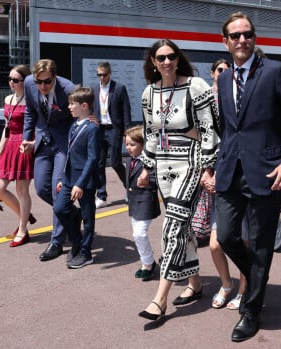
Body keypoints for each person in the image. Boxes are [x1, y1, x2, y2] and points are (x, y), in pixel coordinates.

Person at [214, 12, 281, 342]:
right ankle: (257, 277)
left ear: (254, 38)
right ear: (225, 42)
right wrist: (215, 165)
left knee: (261, 245)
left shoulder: (275, 71)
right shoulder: (224, 79)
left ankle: (251, 311)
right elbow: (228, 128)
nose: (242, 40)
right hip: (230, 172)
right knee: (225, 237)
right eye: (235, 36)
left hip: (268, 173)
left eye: (247, 34)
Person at [137, 39, 219, 323]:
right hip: (162, 166)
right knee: (181, 227)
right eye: (161, 58)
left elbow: (209, 128)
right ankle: (195, 284)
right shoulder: (149, 93)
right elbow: (149, 132)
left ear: (178, 58)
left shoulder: (195, 86)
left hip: (191, 162)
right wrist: (146, 167)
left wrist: (209, 167)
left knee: (171, 227)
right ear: (153, 62)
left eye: (171, 56)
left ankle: (159, 299)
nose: (167, 62)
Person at [20, 59, 75, 262]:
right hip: (42, 141)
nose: (42, 86)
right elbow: (30, 111)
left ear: (54, 77)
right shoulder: (28, 83)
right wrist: (27, 137)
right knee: (41, 188)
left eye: (47, 82)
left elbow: (75, 118)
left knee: (57, 189)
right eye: (38, 82)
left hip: (63, 143)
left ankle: (57, 241)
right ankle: (70, 213)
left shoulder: (68, 88)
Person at [205, 58, 248, 310]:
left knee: (243, 242)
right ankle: (226, 283)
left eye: (228, 71)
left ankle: (244, 288)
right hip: (217, 179)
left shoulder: (239, 98)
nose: (225, 74)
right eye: (220, 70)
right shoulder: (206, 102)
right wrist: (207, 172)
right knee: (215, 242)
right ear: (213, 74)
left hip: (242, 178)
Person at [53, 86, 100, 268]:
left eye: (73, 104)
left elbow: (93, 158)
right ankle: (76, 240)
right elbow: (70, 155)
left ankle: (86, 252)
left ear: (85, 105)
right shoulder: (73, 125)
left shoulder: (92, 129)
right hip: (69, 178)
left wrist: (80, 184)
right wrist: (63, 178)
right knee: (60, 208)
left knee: (88, 217)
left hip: (85, 182)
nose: (69, 107)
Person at [0, 64, 36, 247]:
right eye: (10, 79)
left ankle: (23, 229)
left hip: (24, 144)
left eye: (15, 80)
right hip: (9, 145)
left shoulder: (32, 100)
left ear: (25, 82)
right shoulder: (8, 98)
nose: (11, 82)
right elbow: (7, 127)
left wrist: (32, 144)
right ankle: (24, 216)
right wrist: (0, 148)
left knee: (21, 190)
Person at [91, 61, 132, 208]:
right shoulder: (94, 89)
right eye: (99, 75)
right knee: (99, 163)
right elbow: (90, 108)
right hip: (99, 129)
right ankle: (101, 195)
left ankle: (129, 188)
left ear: (110, 74)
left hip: (114, 129)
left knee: (115, 162)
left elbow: (126, 111)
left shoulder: (119, 88)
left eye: (104, 75)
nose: (101, 77)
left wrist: (127, 133)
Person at [124, 126, 161, 281]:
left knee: (139, 233)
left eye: (132, 144)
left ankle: (148, 264)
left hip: (146, 201)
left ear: (143, 145)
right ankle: (147, 261)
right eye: (126, 144)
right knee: (137, 235)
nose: (128, 148)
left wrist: (148, 182)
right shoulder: (129, 160)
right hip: (134, 202)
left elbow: (157, 180)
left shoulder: (151, 162)